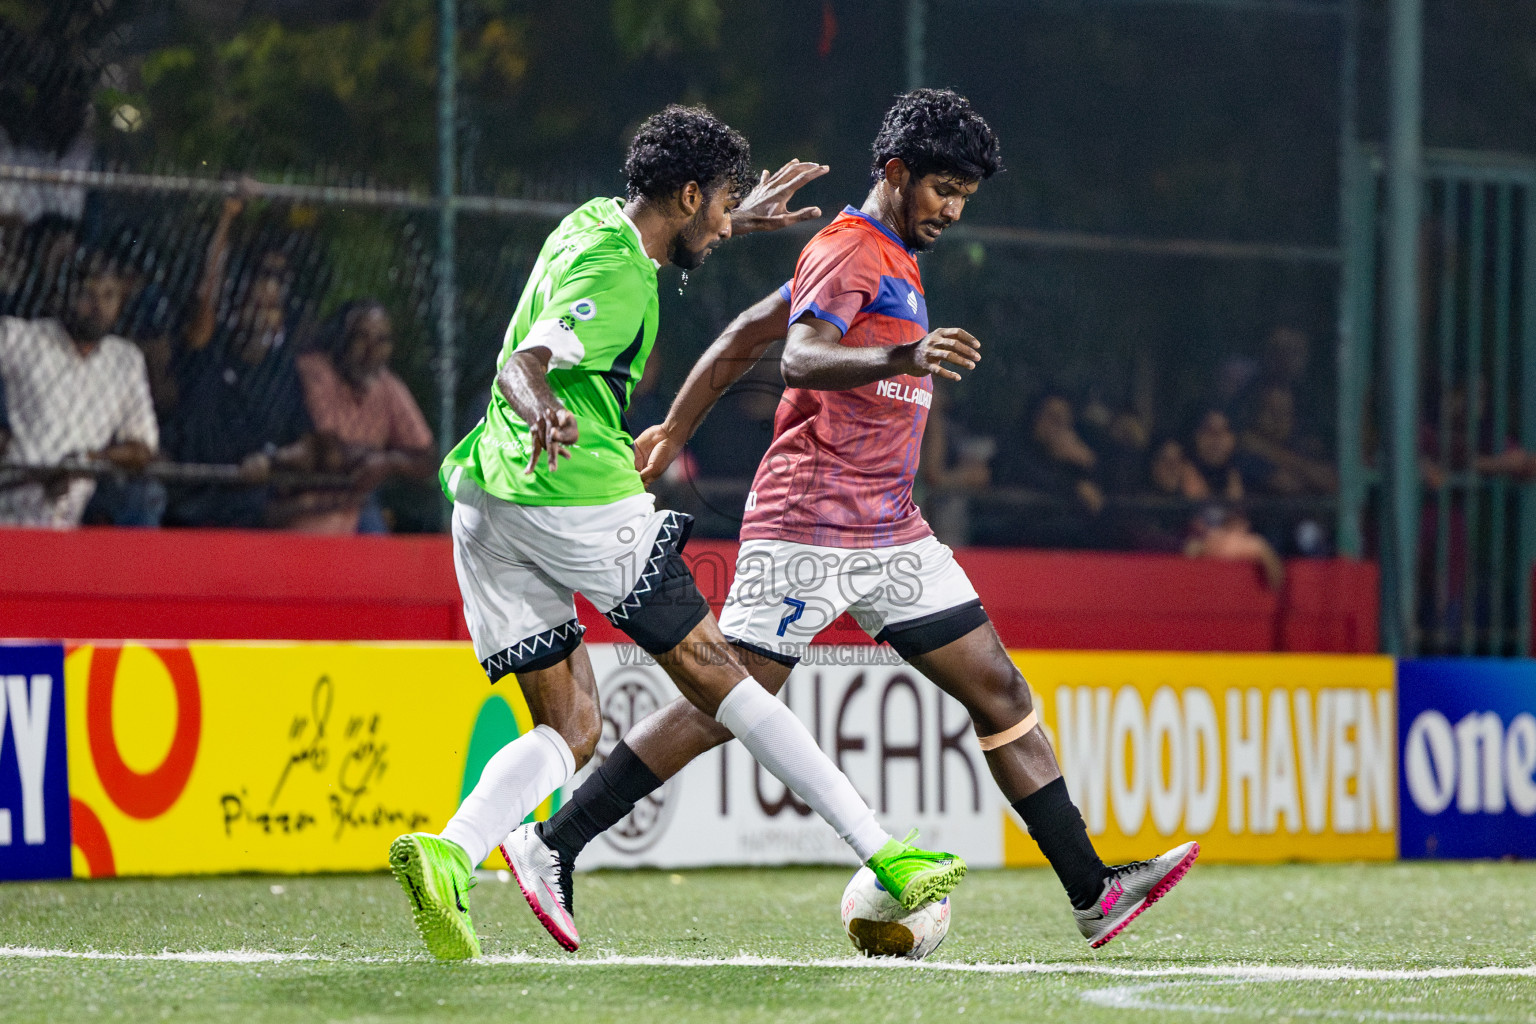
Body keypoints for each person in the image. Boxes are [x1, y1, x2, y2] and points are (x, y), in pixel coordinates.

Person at [512, 90, 1197, 953]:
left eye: (965, 197)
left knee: (1000, 690)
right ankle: (553, 841)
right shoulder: (850, 250)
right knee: (726, 700)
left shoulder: (884, 254)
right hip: (809, 521)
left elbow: (750, 331)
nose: (953, 210)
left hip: (891, 529)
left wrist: (676, 429)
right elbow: (799, 355)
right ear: (897, 172)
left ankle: (1092, 891)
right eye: (943, 190)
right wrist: (905, 354)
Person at [388, 106, 965, 962]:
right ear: (688, 195)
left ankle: (451, 853)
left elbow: (638, 257)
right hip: (572, 497)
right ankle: (884, 850)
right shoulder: (622, 278)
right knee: (728, 682)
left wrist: (739, 218)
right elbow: (523, 364)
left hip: (483, 501)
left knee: (572, 727)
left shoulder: (594, 222)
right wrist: (545, 409)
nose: (728, 222)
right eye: (723, 203)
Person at [0, 255, 157, 527]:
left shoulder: (126, 361)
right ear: (66, 295)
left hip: (67, 523)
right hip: (9, 509)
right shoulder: (24, 338)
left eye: (109, 295)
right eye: (88, 294)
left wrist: (85, 461)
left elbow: (143, 448)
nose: (98, 306)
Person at [278, 299, 435, 533]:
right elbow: (329, 452)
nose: (372, 351)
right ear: (341, 339)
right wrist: (384, 459)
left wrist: (389, 462)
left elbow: (427, 457)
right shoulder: (314, 371)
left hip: (356, 505)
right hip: (303, 503)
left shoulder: (387, 384)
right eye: (362, 338)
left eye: (382, 341)